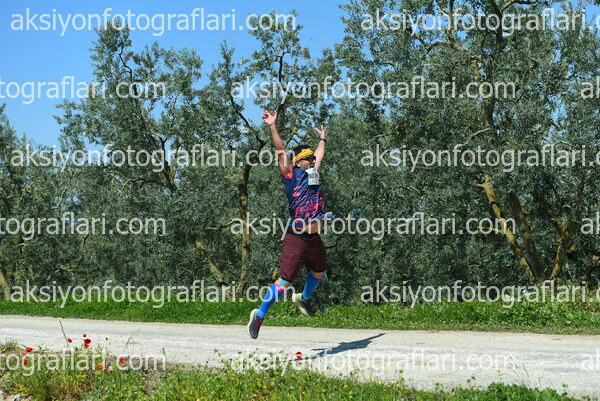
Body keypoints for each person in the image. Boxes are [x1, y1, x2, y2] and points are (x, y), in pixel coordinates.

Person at [247, 110, 329, 339]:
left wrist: (322, 139)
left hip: (314, 239)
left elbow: (319, 155)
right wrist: (272, 126)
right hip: (297, 237)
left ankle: (304, 298)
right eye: (308, 158)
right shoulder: (291, 175)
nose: (313, 160)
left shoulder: (313, 174)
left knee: (320, 272)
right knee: (283, 282)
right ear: (298, 162)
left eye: (313, 158)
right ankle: (259, 315)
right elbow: (280, 150)